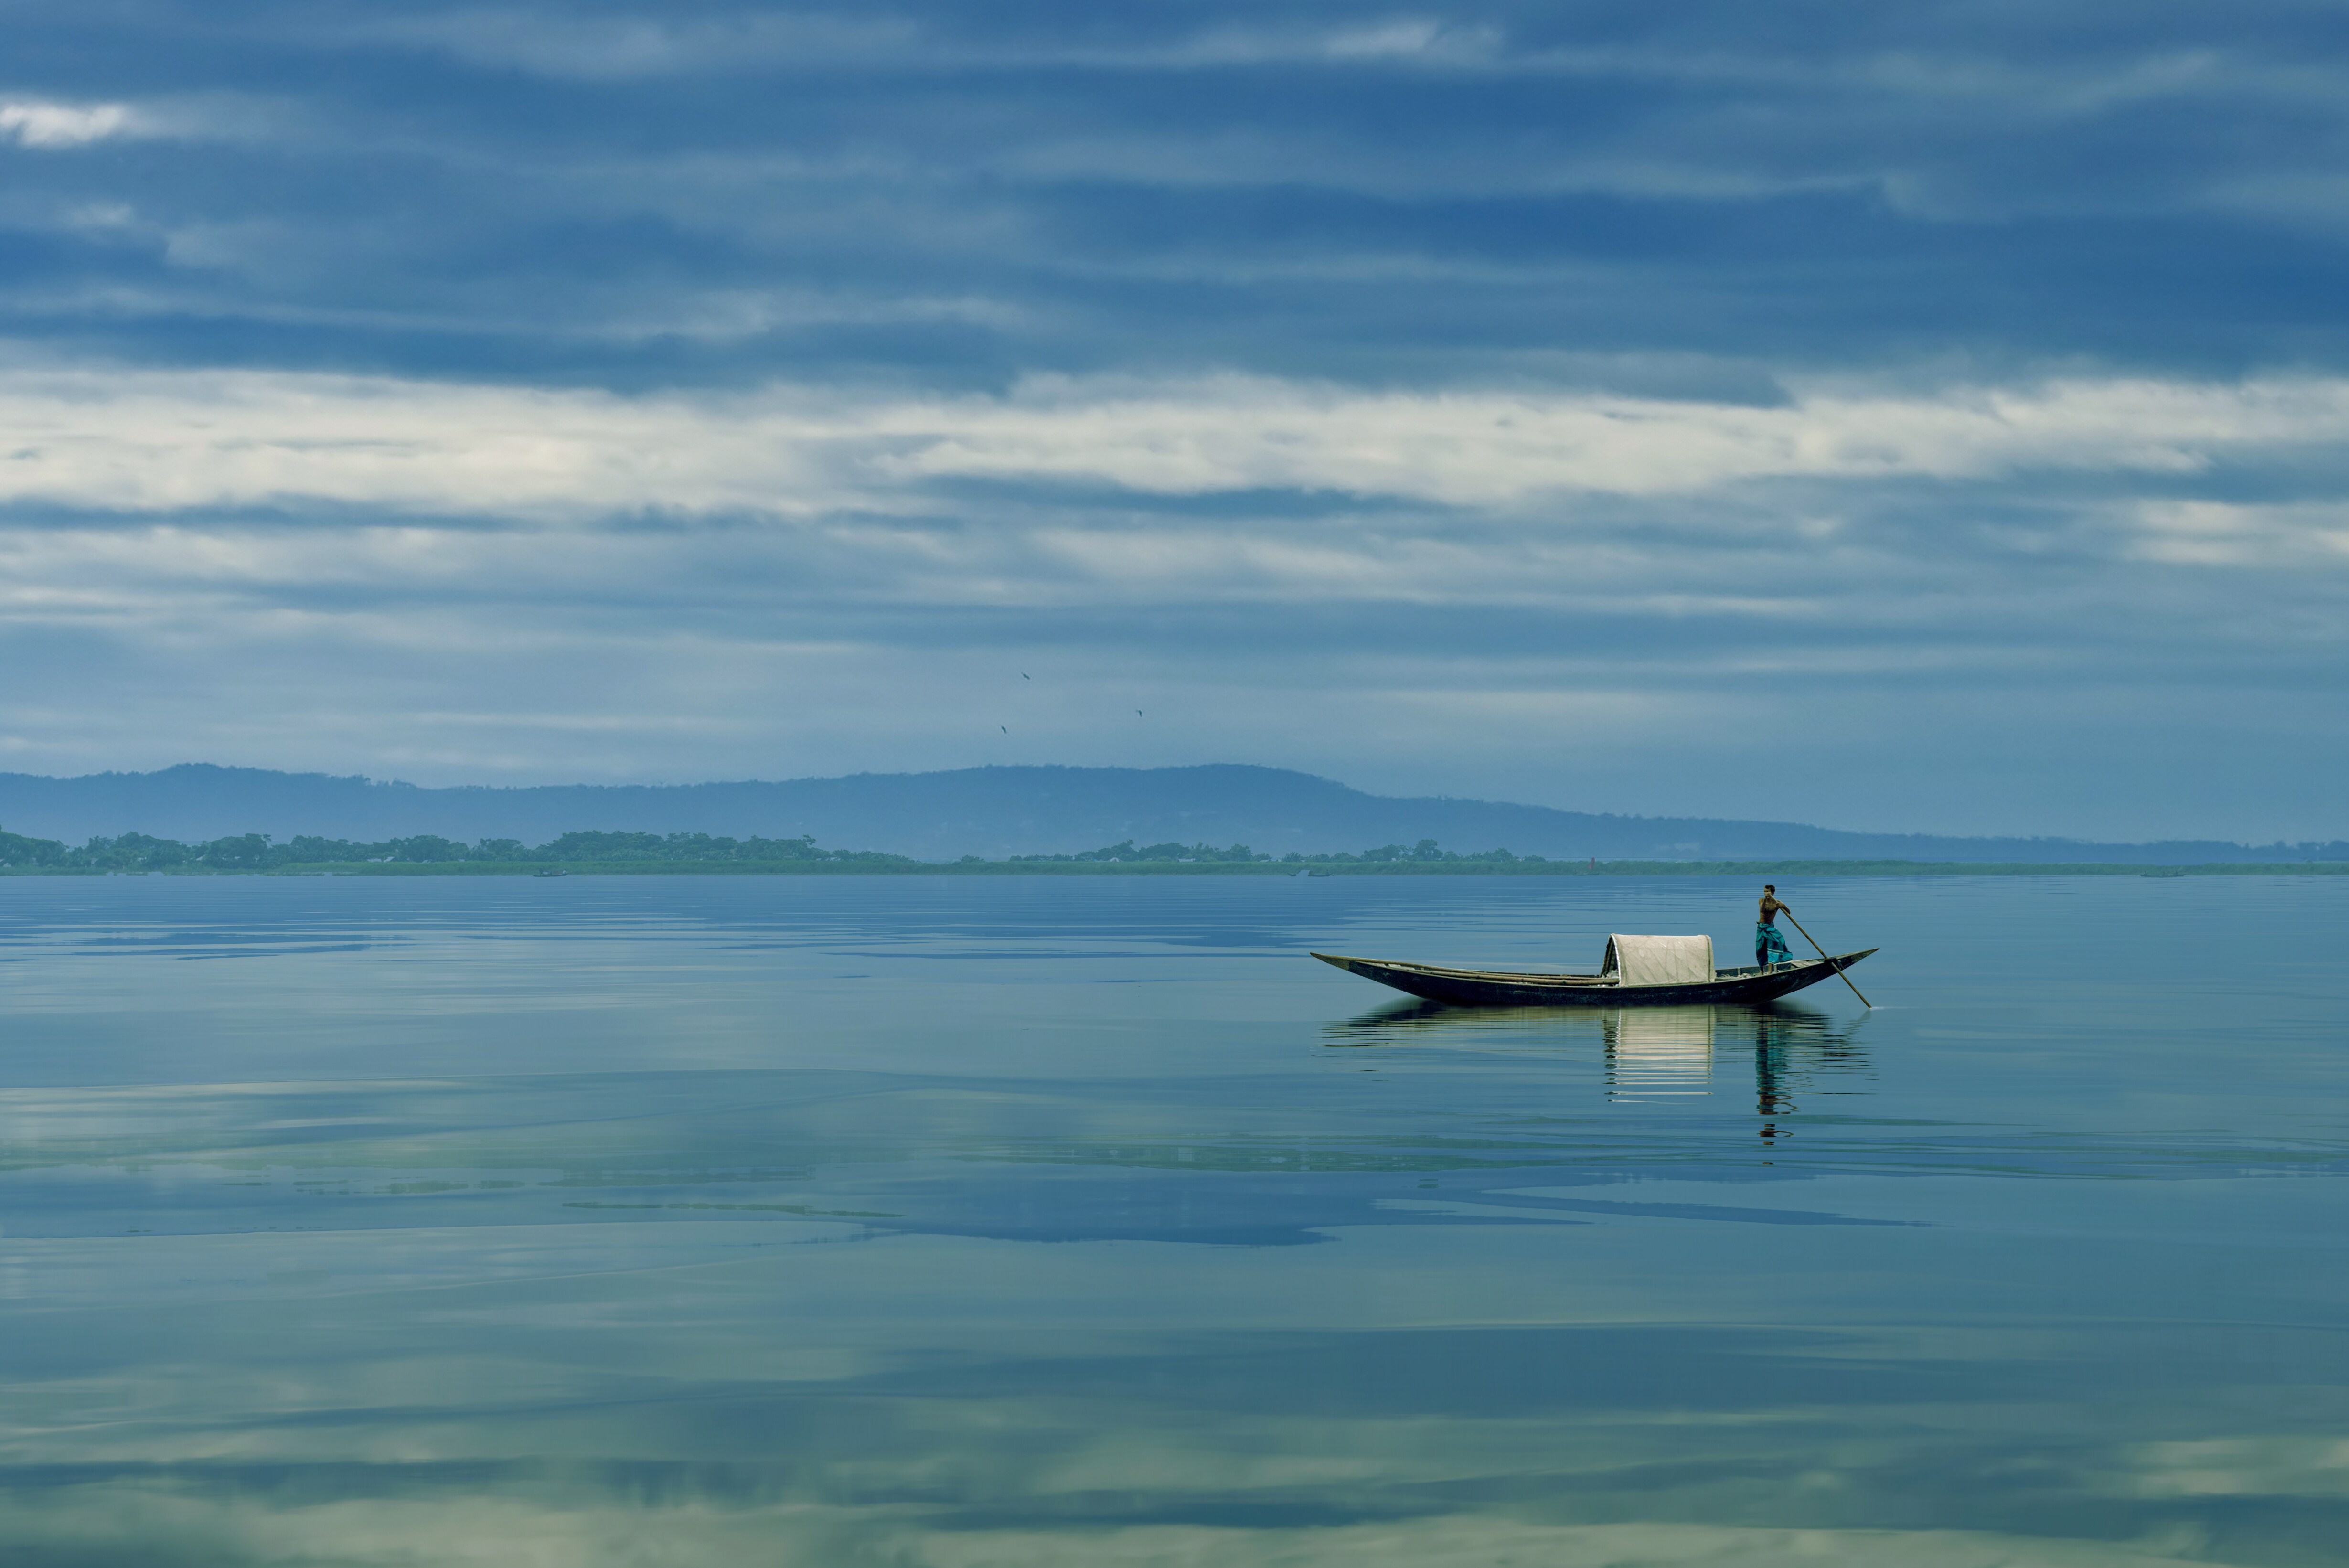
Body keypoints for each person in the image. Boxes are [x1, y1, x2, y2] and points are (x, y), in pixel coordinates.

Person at [1757, 884, 1794, 969]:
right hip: (1762, 928)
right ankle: (1762, 971)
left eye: (1768, 892)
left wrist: (1783, 906)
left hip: (1770, 928)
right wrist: (1767, 899)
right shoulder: (1761, 901)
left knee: (1774, 945)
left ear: (1773, 893)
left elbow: (1789, 912)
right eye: (1765, 891)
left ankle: (1770, 970)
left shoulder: (1777, 903)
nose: (1766, 893)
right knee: (1760, 950)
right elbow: (1762, 910)